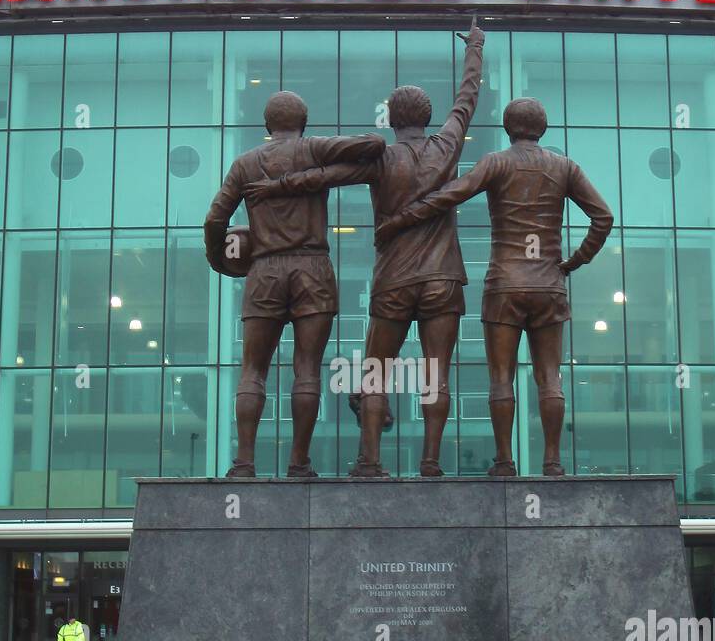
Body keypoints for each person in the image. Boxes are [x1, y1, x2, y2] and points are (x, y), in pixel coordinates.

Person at [247, 25, 486, 477]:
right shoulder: (448, 145)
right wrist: (474, 47)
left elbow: (325, 177)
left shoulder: (380, 159)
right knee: (437, 372)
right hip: (443, 277)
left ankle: (370, 461)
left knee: (376, 371)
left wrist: (277, 185)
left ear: (391, 120)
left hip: (394, 278)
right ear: (427, 116)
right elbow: (467, 97)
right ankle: (431, 463)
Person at [375, 96, 613, 478]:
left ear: (507, 128)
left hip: (505, 283)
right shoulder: (565, 167)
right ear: (543, 128)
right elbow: (604, 217)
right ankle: (552, 462)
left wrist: (402, 219)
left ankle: (505, 461)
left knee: (500, 377)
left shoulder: (496, 163)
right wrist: (573, 261)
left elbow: (450, 194)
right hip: (549, 283)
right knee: (549, 377)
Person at [204, 96, 386, 478]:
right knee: (306, 369)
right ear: (304, 120)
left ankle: (244, 463)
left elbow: (214, 220)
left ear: (266, 125)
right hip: (312, 267)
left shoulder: (246, 164)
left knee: (253, 369)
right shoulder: (313, 149)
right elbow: (374, 143)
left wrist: (219, 260)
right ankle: (298, 463)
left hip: (265, 270)